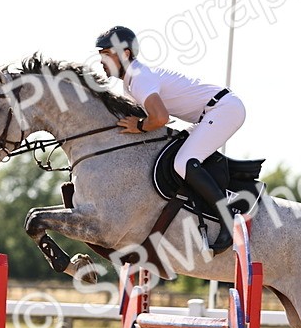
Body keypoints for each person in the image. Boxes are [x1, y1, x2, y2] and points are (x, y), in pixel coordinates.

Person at [95, 25, 247, 253]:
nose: (101, 62)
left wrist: (139, 125)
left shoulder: (138, 77)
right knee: (177, 157)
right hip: (211, 113)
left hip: (223, 109)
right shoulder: (131, 82)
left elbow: (160, 118)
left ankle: (228, 216)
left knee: (182, 162)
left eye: (106, 55)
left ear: (125, 54)